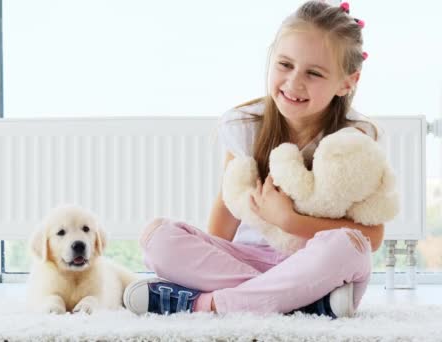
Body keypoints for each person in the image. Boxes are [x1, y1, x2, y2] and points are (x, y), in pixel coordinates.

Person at [123, 1, 382, 319]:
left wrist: (288, 221)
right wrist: (205, 257)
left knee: (348, 247)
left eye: (313, 73)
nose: (294, 82)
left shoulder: (356, 138)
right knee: (157, 238)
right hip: (243, 261)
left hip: (314, 265)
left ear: (347, 82)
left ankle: (206, 304)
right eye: (285, 64)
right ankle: (301, 304)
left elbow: (371, 237)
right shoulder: (244, 124)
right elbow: (228, 206)